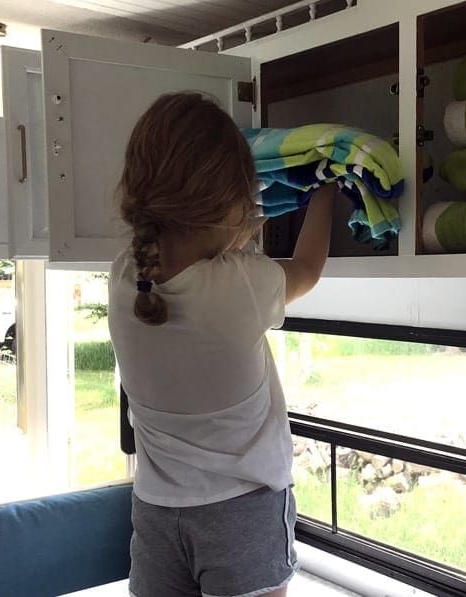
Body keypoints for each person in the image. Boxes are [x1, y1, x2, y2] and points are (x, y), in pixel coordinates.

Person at [107, 92, 337, 597]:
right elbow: (308, 270)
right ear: (226, 204)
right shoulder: (241, 287)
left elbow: (197, 244)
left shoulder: (125, 277)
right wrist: (324, 193)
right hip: (242, 509)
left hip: (156, 513)